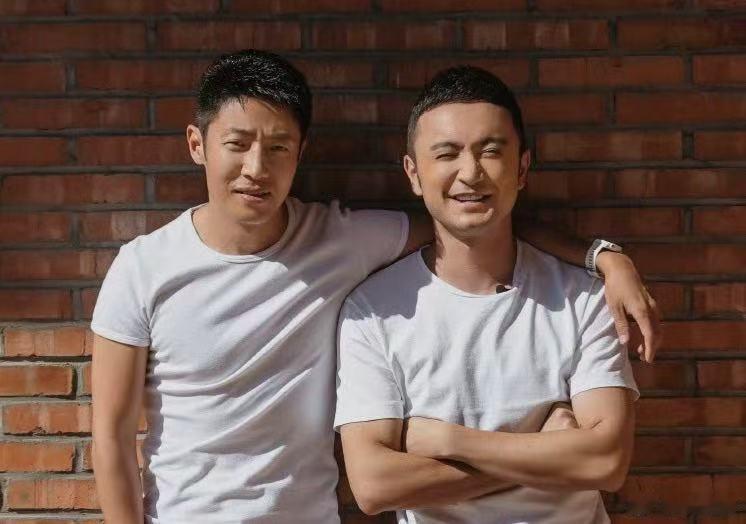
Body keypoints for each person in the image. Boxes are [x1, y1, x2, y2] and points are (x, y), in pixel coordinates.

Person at [91, 50, 656, 523]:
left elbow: (469, 219)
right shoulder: (143, 268)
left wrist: (603, 257)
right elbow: (112, 439)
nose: (256, 167)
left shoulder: (339, 240)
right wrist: (545, 456)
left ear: (300, 152)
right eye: (237, 143)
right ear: (198, 144)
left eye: (278, 147)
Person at [335, 65, 639, 523]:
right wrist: (546, 450)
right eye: (447, 153)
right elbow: (375, 486)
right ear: (413, 173)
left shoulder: (583, 298)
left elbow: (606, 462)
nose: (471, 173)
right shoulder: (374, 311)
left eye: (491, 151)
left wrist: (450, 441)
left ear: (522, 168)